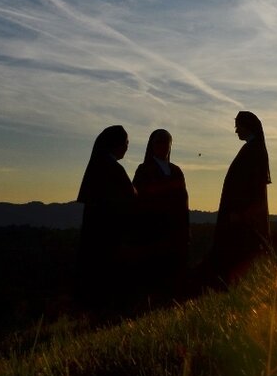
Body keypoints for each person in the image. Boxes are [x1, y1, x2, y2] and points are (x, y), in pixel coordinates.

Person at [205, 111, 272, 286]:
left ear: (246, 126)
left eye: (238, 126)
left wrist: (241, 213)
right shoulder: (252, 148)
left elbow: (251, 187)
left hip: (243, 216)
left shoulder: (254, 149)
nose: (236, 131)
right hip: (240, 214)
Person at [75, 125, 136, 309]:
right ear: (115, 144)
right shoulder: (112, 168)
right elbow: (127, 199)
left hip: (97, 234)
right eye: (125, 143)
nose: (127, 147)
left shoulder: (99, 166)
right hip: (109, 235)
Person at [132, 129, 190, 299]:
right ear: (152, 145)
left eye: (167, 143)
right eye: (159, 142)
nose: (163, 146)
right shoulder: (144, 170)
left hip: (175, 230)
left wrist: (185, 229)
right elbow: (138, 201)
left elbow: (183, 201)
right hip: (153, 230)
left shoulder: (176, 170)